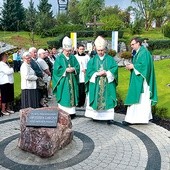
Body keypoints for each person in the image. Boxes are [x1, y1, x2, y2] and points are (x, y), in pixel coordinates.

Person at [123, 37, 158, 126]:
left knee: (141, 99)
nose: (131, 46)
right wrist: (131, 67)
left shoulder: (144, 53)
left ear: (138, 43)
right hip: (137, 79)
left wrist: (133, 66)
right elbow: (139, 65)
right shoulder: (138, 52)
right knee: (136, 97)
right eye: (131, 44)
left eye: (133, 44)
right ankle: (132, 118)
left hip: (143, 82)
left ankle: (137, 119)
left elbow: (145, 66)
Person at [85, 36, 118, 124]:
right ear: (95, 49)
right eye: (99, 51)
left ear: (105, 49)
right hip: (96, 83)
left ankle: (109, 117)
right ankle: (96, 116)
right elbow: (89, 71)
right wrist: (96, 74)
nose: (101, 52)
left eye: (102, 50)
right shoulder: (92, 60)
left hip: (107, 83)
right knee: (96, 98)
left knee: (108, 98)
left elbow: (114, 69)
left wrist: (107, 73)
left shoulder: (110, 59)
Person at [52, 36, 80, 119]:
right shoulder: (59, 58)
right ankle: (64, 113)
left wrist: (74, 69)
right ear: (63, 49)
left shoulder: (73, 57)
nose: (68, 52)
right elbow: (56, 70)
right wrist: (65, 70)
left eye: (70, 51)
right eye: (67, 51)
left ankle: (72, 112)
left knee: (72, 95)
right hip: (64, 82)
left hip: (72, 80)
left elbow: (77, 66)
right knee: (65, 95)